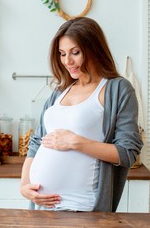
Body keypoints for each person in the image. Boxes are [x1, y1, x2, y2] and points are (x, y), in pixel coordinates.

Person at [20, 17, 143, 212]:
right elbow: (36, 142)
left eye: (75, 52)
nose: (67, 61)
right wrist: (25, 186)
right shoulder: (60, 91)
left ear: (94, 48)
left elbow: (128, 152)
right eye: (62, 54)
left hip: (82, 208)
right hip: (41, 207)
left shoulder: (118, 89)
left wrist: (75, 142)